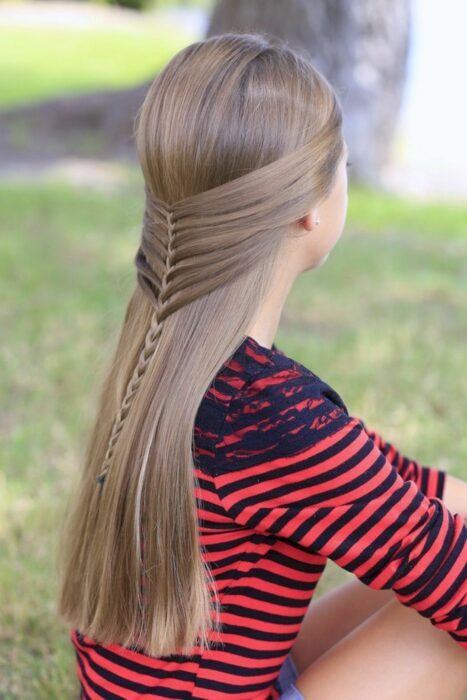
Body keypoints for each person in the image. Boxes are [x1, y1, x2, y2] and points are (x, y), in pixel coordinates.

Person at [56, 32, 467, 700]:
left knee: (417, 550)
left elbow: (394, 491)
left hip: (182, 680)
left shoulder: (165, 341)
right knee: (447, 628)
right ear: (312, 207)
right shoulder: (265, 415)